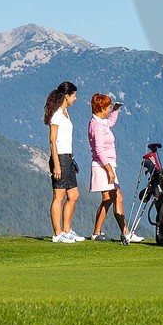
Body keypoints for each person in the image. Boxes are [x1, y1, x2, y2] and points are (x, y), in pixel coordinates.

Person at [87, 93, 139, 243]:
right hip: (103, 166)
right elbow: (99, 150)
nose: (109, 108)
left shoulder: (100, 122)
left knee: (111, 199)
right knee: (115, 197)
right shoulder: (97, 126)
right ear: (102, 108)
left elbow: (110, 122)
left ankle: (102, 233)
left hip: (107, 165)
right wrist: (109, 170)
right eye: (108, 106)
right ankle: (124, 233)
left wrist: (116, 110)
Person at [43, 81, 81, 243]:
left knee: (73, 195)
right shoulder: (57, 114)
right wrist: (57, 164)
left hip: (68, 157)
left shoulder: (65, 113)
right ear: (67, 96)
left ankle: (66, 230)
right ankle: (57, 234)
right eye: (74, 95)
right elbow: (52, 141)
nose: (76, 99)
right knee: (58, 196)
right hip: (60, 157)